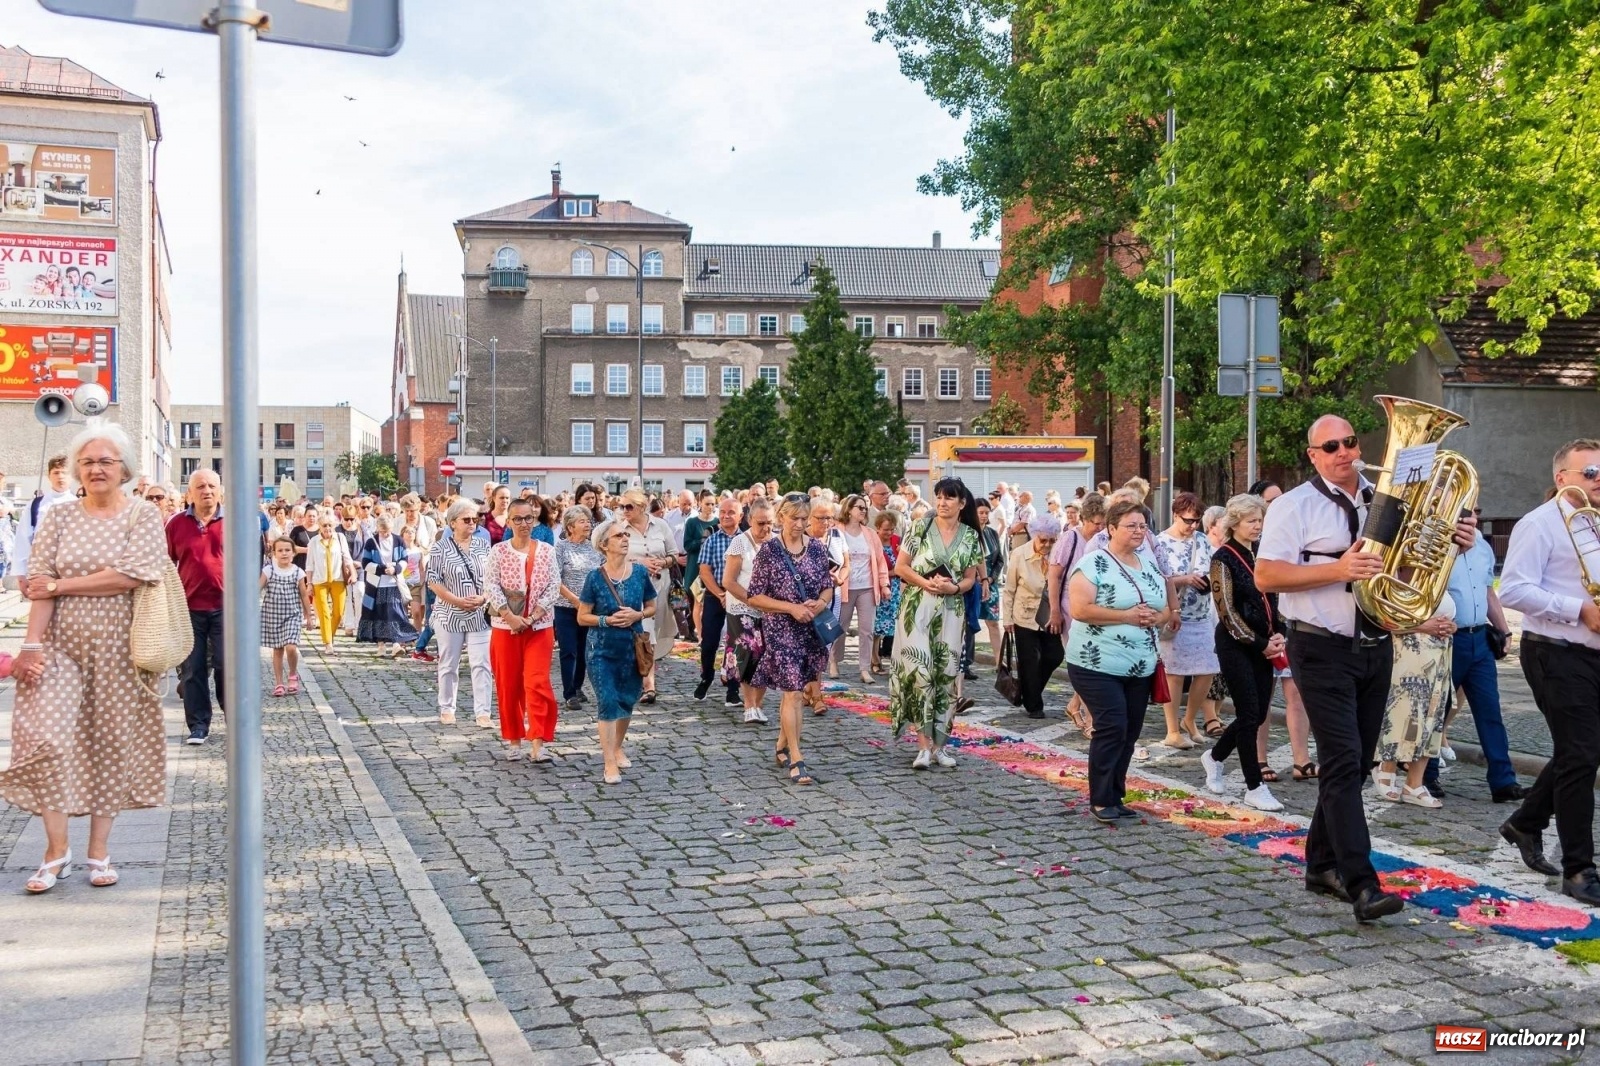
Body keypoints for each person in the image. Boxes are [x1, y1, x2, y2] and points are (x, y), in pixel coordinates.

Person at [1256, 413, 1475, 922]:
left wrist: (1451, 539)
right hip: (1318, 647)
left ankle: (1319, 864)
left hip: (1378, 643)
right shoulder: (1294, 506)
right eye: (1329, 446)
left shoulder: (1389, 498)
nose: (1342, 452)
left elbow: (1410, 563)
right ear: (1312, 455)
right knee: (1343, 757)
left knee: (1352, 765)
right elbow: (1266, 575)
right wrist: (1338, 569)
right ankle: (1361, 883)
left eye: (1349, 442)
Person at [1, 422, 168, 893]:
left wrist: (61, 584)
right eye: (88, 461)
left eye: (105, 461)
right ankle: (56, 851)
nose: (96, 469)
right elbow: (38, 582)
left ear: (124, 469)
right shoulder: (57, 516)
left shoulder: (143, 515)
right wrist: (30, 645)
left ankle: (99, 852)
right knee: (48, 740)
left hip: (121, 648)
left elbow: (132, 574)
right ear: (77, 468)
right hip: (59, 646)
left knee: (110, 743)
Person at [1499, 439, 1600, 902]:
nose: (1598, 482)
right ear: (1563, 478)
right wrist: (1577, 609)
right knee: (1580, 753)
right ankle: (1579, 870)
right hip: (1555, 650)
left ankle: (1526, 822)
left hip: (1593, 652)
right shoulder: (1539, 524)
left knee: (1581, 751)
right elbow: (1514, 590)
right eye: (1590, 473)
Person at [1066, 499, 1171, 822]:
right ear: (1111, 529)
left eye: (1143, 525)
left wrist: (1158, 617)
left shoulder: (1147, 562)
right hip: (1095, 662)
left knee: (1131, 730)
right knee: (1112, 725)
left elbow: (1166, 606)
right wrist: (1124, 616)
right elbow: (1080, 609)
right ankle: (1100, 798)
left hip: (1140, 663)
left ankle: (1116, 794)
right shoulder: (1094, 562)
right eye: (1131, 525)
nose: (1139, 531)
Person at [889, 478, 984, 769]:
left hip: (951, 611)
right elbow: (900, 567)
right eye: (939, 497)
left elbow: (971, 578)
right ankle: (922, 746)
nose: (942, 503)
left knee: (945, 673)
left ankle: (940, 746)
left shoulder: (970, 536)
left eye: (949, 498)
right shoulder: (919, 527)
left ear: (962, 503)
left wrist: (954, 589)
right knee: (920, 672)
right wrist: (926, 583)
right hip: (916, 608)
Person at [1201, 494, 1287, 811]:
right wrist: (1261, 643)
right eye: (1251, 521)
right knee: (1249, 713)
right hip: (1235, 644)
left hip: (1264, 642)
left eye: (1260, 521)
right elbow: (1227, 613)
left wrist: (1279, 633)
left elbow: (1274, 598)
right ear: (1235, 523)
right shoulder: (1222, 558)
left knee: (1258, 713)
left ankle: (1214, 756)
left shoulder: (1262, 554)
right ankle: (1254, 785)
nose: (1257, 526)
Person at [746, 494, 835, 785]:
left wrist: (820, 604)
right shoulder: (769, 551)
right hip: (781, 629)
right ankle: (797, 757)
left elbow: (827, 588)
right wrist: (791, 608)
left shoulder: (818, 549)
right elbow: (755, 595)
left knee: (797, 689)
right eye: (794, 518)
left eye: (803, 519)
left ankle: (782, 744)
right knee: (793, 693)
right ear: (781, 516)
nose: (799, 524)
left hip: (810, 628)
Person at [1442, 506, 1526, 802]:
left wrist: (1503, 630)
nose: (1470, 516)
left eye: (1475, 511)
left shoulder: (1483, 545)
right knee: (1435, 710)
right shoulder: (1438, 542)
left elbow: (1489, 591)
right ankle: (1425, 777)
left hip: (1479, 637)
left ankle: (1503, 781)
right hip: (1447, 638)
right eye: (1464, 511)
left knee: (1490, 711)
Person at [579, 521, 657, 783]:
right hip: (601, 649)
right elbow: (582, 616)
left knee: (626, 699)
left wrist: (638, 614)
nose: (625, 538)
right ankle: (609, 762)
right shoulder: (594, 577)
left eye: (626, 534)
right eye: (618, 535)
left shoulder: (639, 573)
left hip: (631, 647)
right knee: (608, 701)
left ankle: (617, 746)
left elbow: (651, 607)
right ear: (604, 544)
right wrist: (606, 620)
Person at [484, 499, 561, 761]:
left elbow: (553, 585)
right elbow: (491, 585)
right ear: (509, 521)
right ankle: (514, 738)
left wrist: (535, 615)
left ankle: (539, 741)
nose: (524, 524)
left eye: (528, 518)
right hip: (505, 627)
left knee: (537, 681)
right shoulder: (499, 552)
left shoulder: (547, 551)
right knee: (509, 683)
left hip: (540, 626)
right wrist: (510, 616)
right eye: (518, 519)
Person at [593, 488, 679, 704]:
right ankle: (649, 685)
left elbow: (674, 554)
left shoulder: (660, 525)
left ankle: (642, 673)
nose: (624, 510)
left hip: (661, 585)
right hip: (633, 586)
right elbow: (608, 556)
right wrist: (639, 563)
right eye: (621, 506)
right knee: (645, 632)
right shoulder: (619, 528)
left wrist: (663, 562)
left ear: (642, 507)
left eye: (629, 506)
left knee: (655, 632)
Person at [1371, 596, 1457, 807]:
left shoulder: (1439, 578)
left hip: (1439, 649)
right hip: (1409, 647)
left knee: (1432, 717)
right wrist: (1424, 626)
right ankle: (1386, 766)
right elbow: (1382, 617)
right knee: (1404, 711)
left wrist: (1451, 626)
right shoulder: (1401, 576)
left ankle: (1414, 784)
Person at [1155, 491, 1220, 748]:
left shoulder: (1203, 541)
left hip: (1203, 613)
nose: (1192, 526)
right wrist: (1184, 579)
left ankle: (1190, 719)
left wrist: (1206, 581)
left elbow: (1213, 568)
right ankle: (1172, 730)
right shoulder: (1160, 543)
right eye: (1187, 520)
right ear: (1175, 515)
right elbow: (1157, 578)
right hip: (1175, 614)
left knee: (1208, 669)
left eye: (1196, 521)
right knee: (1174, 673)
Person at [167, 469, 226, 746]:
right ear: (190, 493)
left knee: (228, 666)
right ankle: (199, 725)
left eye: (212, 486)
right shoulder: (176, 524)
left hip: (226, 608)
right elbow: (166, 565)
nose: (207, 491)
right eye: (200, 486)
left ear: (220, 490)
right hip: (188, 608)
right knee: (193, 670)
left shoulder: (234, 522)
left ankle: (235, 721)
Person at [427, 500, 495, 727]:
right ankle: (447, 708)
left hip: (478, 615)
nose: (472, 524)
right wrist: (456, 600)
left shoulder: (484, 546)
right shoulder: (440, 548)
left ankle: (483, 712)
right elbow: (434, 582)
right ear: (453, 522)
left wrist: (484, 597)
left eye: (475, 519)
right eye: (467, 520)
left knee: (482, 664)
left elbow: (493, 579)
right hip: (449, 614)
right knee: (448, 664)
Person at [1047, 493, 1106, 737]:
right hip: (1071, 609)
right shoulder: (1070, 539)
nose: (1099, 528)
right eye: (1095, 523)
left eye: (1103, 523)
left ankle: (1075, 705)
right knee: (1084, 663)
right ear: (1083, 520)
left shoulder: (1104, 540)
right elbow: (1054, 576)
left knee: (1096, 664)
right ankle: (1093, 719)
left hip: (1097, 611)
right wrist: (1054, 611)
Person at [1002, 513, 1064, 719]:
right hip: (1024, 614)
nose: (1047, 545)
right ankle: (1034, 704)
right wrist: (1007, 619)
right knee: (1029, 660)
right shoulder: (1019, 554)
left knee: (1055, 655)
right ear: (1034, 536)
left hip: (1049, 615)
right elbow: (1009, 589)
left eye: (1052, 540)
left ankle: (1030, 689)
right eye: (1043, 540)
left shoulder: (1059, 555)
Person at [723, 498, 775, 724]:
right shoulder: (739, 543)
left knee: (767, 657)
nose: (765, 528)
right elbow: (729, 581)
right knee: (748, 655)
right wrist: (752, 600)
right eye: (761, 523)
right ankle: (748, 704)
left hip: (771, 608)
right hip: (742, 607)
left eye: (770, 523)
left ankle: (758, 704)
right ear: (749, 520)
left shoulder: (776, 543)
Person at [832, 494, 889, 686]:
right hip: (844, 587)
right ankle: (834, 661)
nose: (864, 511)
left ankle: (864, 668)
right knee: (840, 627)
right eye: (860, 507)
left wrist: (884, 585)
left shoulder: (870, 534)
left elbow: (880, 562)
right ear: (849, 510)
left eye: (865, 508)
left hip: (867, 587)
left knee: (867, 630)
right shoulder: (836, 532)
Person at [695, 498, 745, 707]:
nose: (725, 516)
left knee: (737, 643)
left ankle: (733, 688)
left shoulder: (746, 541)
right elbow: (705, 572)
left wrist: (735, 595)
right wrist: (720, 595)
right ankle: (706, 677)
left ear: (740, 516)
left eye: (731, 512)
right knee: (709, 643)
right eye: (722, 512)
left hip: (741, 596)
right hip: (716, 595)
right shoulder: (712, 540)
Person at [554, 505, 603, 710]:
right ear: (570, 526)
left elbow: (603, 571)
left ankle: (578, 686)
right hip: (566, 606)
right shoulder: (561, 547)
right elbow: (554, 579)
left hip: (589, 608)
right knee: (569, 650)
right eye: (582, 521)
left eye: (588, 521)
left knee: (585, 650)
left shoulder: (594, 547)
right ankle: (569, 693)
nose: (588, 525)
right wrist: (575, 600)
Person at [11, 454, 74, 595]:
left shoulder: (79, 505)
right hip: (41, 569)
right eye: (56, 473)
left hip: (69, 570)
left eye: (65, 473)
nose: (60, 477)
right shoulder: (36, 505)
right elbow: (23, 539)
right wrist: (21, 574)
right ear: (49, 476)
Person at [358, 514, 417, 656]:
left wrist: (396, 569)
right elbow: (365, 563)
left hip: (394, 583)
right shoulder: (371, 543)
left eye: (388, 531)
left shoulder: (398, 540)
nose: (386, 534)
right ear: (378, 529)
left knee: (394, 613)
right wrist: (381, 569)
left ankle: (396, 643)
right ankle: (381, 645)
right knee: (379, 614)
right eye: (383, 531)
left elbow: (404, 559)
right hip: (376, 584)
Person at [260, 536, 311, 697]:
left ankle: (293, 674)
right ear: (274, 553)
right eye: (280, 550)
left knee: (291, 647)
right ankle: (279, 682)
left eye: (287, 550)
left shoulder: (297, 572)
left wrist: (308, 616)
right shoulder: (269, 571)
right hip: (272, 615)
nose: (284, 553)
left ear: (293, 553)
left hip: (292, 615)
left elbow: (303, 595)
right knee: (277, 650)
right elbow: (257, 588)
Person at [304, 513, 356, 649]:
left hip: (338, 578)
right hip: (319, 580)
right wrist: (309, 583)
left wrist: (353, 572)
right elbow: (309, 564)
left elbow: (347, 557)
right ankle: (328, 644)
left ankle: (329, 636)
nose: (327, 528)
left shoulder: (340, 538)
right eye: (324, 525)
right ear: (319, 527)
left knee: (338, 612)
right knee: (324, 613)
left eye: (330, 525)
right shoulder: (314, 541)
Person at [870, 511, 903, 674]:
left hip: (897, 589)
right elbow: (873, 569)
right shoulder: (872, 541)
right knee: (877, 627)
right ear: (877, 528)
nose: (889, 533)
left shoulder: (897, 541)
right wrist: (893, 573)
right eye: (885, 529)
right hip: (879, 588)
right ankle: (874, 660)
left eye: (891, 529)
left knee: (895, 625)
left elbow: (905, 563)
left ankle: (896, 661)